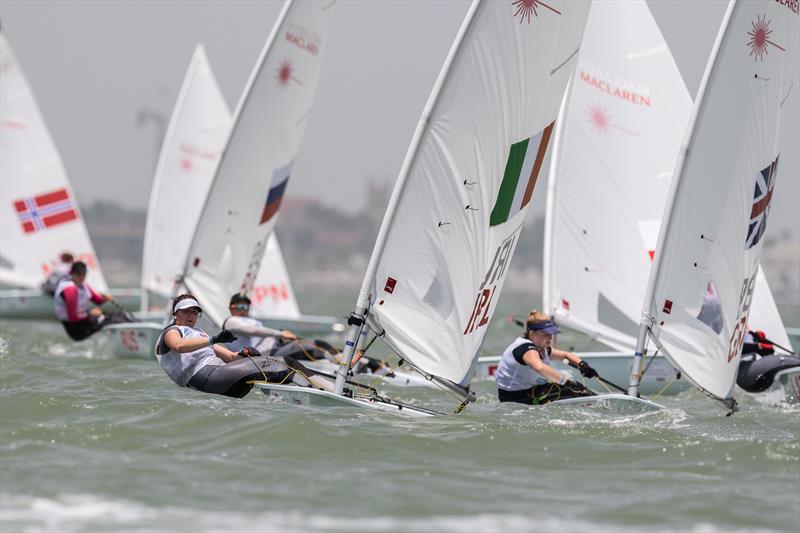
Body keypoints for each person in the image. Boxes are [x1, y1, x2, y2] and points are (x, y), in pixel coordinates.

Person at [156, 294, 333, 398]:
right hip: (207, 378)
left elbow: (231, 358)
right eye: (186, 311)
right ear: (175, 313)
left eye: (195, 312)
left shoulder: (201, 335)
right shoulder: (172, 331)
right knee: (285, 364)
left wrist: (245, 353)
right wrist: (214, 339)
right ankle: (328, 392)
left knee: (287, 365)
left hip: (221, 379)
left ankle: (326, 391)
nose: (191, 316)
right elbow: (179, 346)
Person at [495, 310, 597, 405]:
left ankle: (594, 404)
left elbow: (566, 355)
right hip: (515, 398)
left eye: (551, 333)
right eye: (545, 333)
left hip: (529, 391)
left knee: (578, 389)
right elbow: (539, 367)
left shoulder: (541, 347)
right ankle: (594, 406)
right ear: (532, 333)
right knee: (576, 390)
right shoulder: (526, 349)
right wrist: (564, 382)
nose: (550, 337)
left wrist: (582, 365)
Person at [222, 292, 335, 362]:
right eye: (239, 306)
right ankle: (335, 363)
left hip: (275, 347)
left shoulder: (250, 320)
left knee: (319, 343)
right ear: (231, 308)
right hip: (264, 354)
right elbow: (253, 331)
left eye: (245, 307)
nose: (242, 310)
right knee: (307, 347)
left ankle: (342, 359)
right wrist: (280, 334)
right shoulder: (231, 321)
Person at [54, 261, 116, 341]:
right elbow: (73, 318)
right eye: (78, 274)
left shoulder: (83, 285)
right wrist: (90, 314)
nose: (81, 276)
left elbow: (98, 301)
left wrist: (106, 298)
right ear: (72, 273)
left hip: (83, 321)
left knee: (113, 315)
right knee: (111, 319)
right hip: (75, 329)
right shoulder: (70, 289)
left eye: (83, 273)